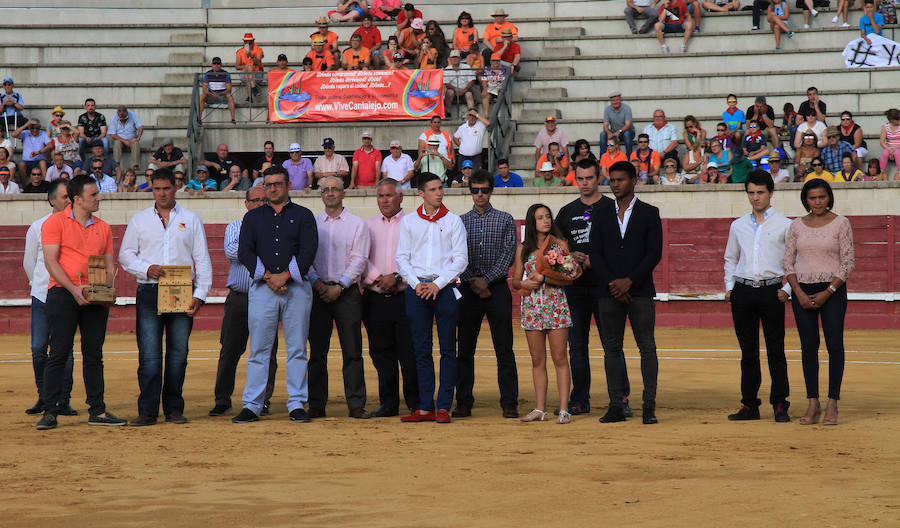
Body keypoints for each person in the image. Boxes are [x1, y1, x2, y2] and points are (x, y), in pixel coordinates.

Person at [119, 169, 212, 426]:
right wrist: (145, 268)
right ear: (152, 188)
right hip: (150, 289)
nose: (161, 193)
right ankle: (147, 411)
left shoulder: (191, 219)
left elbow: (202, 259)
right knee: (149, 354)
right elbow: (125, 255)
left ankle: (173, 408)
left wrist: (201, 294)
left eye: (166, 188)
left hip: (182, 290)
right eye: (157, 189)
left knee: (178, 355)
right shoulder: (139, 220)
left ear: (175, 187)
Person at [36, 175, 127, 430]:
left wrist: (109, 288)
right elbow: (51, 262)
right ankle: (51, 410)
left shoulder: (104, 227)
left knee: (93, 354)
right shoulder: (54, 222)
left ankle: (97, 409)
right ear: (77, 199)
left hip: (95, 294)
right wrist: (75, 289)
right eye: (94, 195)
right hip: (64, 292)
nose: (99, 198)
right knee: (59, 352)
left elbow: (109, 264)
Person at [233, 166, 318, 424]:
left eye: (278, 184)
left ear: (288, 185)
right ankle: (253, 404)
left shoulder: (304, 215)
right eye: (268, 184)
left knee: (297, 348)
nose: (273, 188)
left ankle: (296, 403)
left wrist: (286, 276)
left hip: (297, 288)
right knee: (259, 348)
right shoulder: (253, 218)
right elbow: (245, 251)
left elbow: (308, 249)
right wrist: (270, 276)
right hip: (263, 288)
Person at [591, 160, 663, 425]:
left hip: (639, 290)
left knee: (646, 347)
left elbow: (654, 253)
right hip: (609, 291)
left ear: (634, 181)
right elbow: (595, 254)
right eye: (612, 180)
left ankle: (648, 406)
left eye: (621, 179)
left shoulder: (649, 212)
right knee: (612, 349)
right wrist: (614, 282)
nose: (616, 184)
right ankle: (616, 405)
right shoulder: (600, 214)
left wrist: (629, 281)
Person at [396, 173, 468, 423]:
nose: (439, 192)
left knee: (449, 348)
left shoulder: (453, 221)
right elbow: (401, 258)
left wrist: (436, 284)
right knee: (421, 349)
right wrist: (418, 285)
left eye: (441, 188)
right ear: (421, 193)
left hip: (444, 288)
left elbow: (461, 259)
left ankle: (444, 406)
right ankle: (426, 405)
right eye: (434, 189)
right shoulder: (409, 222)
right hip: (418, 289)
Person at [723, 170, 793, 422]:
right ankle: (749, 404)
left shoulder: (786, 225)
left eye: (760, 192)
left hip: (771, 290)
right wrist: (729, 286)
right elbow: (730, 258)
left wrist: (787, 290)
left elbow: (794, 261)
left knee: (776, 349)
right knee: (748, 351)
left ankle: (779, 403)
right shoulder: (738, 225)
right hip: (743, 291)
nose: (755, 197)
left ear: (771, 193)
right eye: (751, 193)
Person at [784, 179, 854, 426]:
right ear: (806, 200)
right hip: (802, 290)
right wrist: (798, 292)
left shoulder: (841, 223)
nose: (817, 202)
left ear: (829, 197)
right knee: (808, 345)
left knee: (834, 344)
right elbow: (788, 262)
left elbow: (847, 263)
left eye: (821, 197)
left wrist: (829, 291)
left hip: (832, 290)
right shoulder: (796, 226)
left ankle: (832, 402)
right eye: (812, 198)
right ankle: (813, 401)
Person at [304, 177, 371, 419]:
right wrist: (319, 284)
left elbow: (359, 259)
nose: (331, 193)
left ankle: (356, 404)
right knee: (317, 352)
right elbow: (306, 258)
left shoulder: (357, 224)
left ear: (344, 194)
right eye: (326, 190)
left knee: (352, 350)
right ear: (321, 195)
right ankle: (316, 404)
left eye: (335, 189)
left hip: (347, 292)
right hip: (318, 291)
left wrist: (340, 286)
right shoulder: (311, 224)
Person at [210, 186, 280, 417]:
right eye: (256, 200)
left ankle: (263, 399)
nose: (261, 204)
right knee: (230, 349)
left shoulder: (275, 227)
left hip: (268, 297)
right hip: (241, 297)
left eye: (264, 200)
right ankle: (222, 399)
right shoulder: (235, 227)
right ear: (246, 203)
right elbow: (232, 251)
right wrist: (263, 250)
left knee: (267, 351)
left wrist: (251, 249)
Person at [454, 170, 519, 419]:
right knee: (465, 349)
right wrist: (475, 280)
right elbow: (457, 255)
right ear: (470, 191)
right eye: (475, 190)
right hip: (469, 289)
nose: (479, 195)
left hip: (497, 288)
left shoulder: (505, 219)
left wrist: (487, 281)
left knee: (504, 348)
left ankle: (509, 402)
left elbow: (508, 255)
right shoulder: (459, 221)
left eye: (484, 190)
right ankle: (463, 401)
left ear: (491, 190)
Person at [556, 158, 615, 416]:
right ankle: (579, 398)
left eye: (589, 178)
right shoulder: (567, 211)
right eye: (580, 179)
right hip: (576, 289)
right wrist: (571, 261)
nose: (584, 183)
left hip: (606, 287)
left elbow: (622, 249)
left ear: (598, 177)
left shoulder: (613, 208)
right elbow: (554, 253)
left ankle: (619, 397)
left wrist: (596, 261)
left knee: (611, 345)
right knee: (577, 346)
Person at [511, 204, 574, 424]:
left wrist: (545, 278)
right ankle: (540, 408)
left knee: (559, 357)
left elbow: (569, 276)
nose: (545, 221)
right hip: (532, 307)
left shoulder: (559, 245)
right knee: (537, 360)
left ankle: (564, 409)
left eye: (548, 216)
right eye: (540, 217)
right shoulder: (523, 248)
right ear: (532, 222)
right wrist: (525, 282)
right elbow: (516, 280)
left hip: (555, 304)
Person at [362, 179, 420, 417]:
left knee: (410, 352)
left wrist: (397, 277)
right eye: (381, 196)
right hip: (375, 298)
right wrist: (379, 278)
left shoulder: (413, 223)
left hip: (406, 296)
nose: (384, 200)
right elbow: (360, 258)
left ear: (401, 198)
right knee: (381, 353)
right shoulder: (368, 225)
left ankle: (416, 402)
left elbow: (418, 258)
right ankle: (388, 402)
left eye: (389, 196)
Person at [24, 180, 76, 416]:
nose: (68, 201)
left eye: (70, 197)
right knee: (38, 348)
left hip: (66, 295)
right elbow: (29, 262)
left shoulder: (76, 225)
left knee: (64, 349)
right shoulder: (38, 226)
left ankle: (62, 400)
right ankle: (45, 397)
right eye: (64, 197)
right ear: (52, 200)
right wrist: (38, 285)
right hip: (43, 294)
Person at [200, 57, 237, 124]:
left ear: (221, 65)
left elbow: (229, 89)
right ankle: (199, 118)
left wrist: (219, 94)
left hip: (222, 95)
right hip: (211, 95)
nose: (216, 65)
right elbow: (204, 89)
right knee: (202, 96)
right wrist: (211, 94)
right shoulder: (207, 74)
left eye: (218, 64)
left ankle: (233, 119)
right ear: (212, 65)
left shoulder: (226, 74)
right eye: (214, 64)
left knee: (229, 96)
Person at [107, 105, 143, 171]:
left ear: (127, 113)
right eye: (120, 117)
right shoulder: (113, 118)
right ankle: (116, 165)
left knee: (136, 143)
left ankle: (136, 165)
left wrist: (138, 138)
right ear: (117, 114)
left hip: (131, 139)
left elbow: (141, 127)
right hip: (119, 139)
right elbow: (113, 134)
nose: (122, 118)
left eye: (124, 117)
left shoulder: (133, 115)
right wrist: (125, 141)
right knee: (117, 143)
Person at [600, 91, 635, 158]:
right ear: (610, 101)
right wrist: (608, 132)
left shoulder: (627, 108)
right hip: (614, 132)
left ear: (620, 100)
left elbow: (628, 125)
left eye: (617, 100)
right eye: (613, 100)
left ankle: (628, 158)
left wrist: (619, 131)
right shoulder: (607, 109)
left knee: (627, 134)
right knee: (603, 134)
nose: (615, 102)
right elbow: (605, 125)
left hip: (626, 131)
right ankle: (603, 158)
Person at [236, 33, 265, 102]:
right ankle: (254, 88)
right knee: (248, 68)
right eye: (246, 42)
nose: (248, 44)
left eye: (250, 42)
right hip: (247, 73)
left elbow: (259, 63)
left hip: (257, 73)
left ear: (253, 42)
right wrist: (246, 67)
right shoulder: (240, 52)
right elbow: (237, 66)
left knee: (248, 73)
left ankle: (249, 97)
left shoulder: (258, 50)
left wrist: (252, 56)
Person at [879, 108, 900, 173]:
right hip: (889, 147)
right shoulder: (885, 127)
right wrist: (890, 150)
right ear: (891, 120)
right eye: (897, 118)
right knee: (885, 153)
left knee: (897, 153)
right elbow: (882, 142)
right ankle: (882, 172)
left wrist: (895, 148)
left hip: (899, 147)